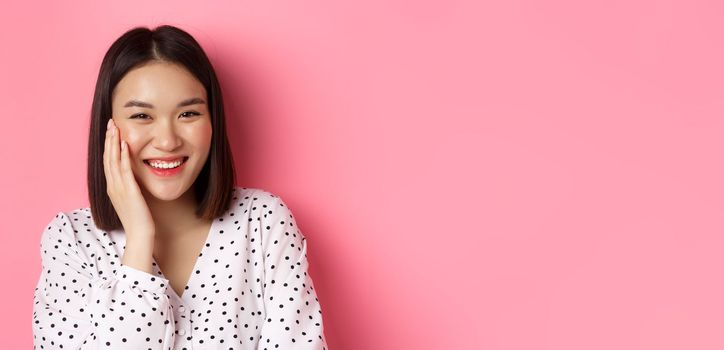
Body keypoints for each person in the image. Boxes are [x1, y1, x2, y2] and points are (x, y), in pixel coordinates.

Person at [31, 25, 328, 349]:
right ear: (109, 126)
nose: (168, 141)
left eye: (188, 113)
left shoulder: (262, 222)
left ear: (212, 121)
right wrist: (139, 240)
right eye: (142, 116)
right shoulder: (71, 240)